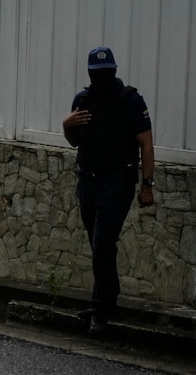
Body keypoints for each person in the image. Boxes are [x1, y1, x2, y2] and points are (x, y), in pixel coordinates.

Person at [62, 46, 155, 336]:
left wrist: (147, 186)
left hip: (117, 181)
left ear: (114, 71)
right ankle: (106, 297)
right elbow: (74, 142)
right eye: (97, 72)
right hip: (87, 180)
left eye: (106, 71)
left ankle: (101, 309)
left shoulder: (130, 100)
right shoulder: (83, 100)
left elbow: (147, 145)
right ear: (90, 73)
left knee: (103, 244)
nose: (102, 76)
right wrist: (67, 124)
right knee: (98, 244)